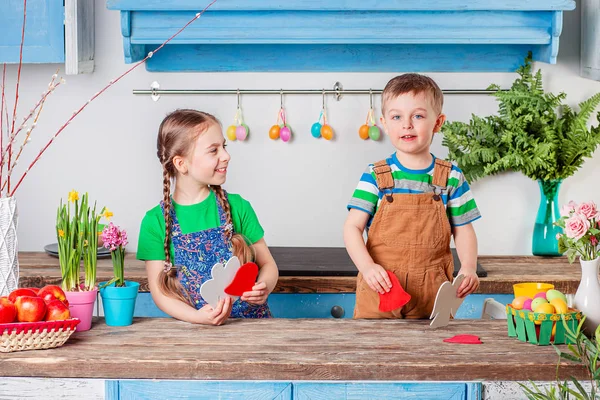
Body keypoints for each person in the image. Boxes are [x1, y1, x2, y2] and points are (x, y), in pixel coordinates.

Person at [344, 74, 481, 319]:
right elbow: (352, 228)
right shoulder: (375, 175)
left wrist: (469, 268)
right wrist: (367, 267)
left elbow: (463, 230)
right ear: (385, 123)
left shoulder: (452, 177)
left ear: (438, 123)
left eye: (417, 116)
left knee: (430, 355)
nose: (407, 124)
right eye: (397, 117)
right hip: (380, 289)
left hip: (433, 294)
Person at [137, 109, 278, 325]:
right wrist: (198, 317)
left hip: (253, 330)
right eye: (214, 150)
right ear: (181, 163)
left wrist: (264, 286)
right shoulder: (154, 222)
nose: (226, 156)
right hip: (197, 335)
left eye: (224, 146)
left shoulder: (238, 207)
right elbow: (160, 293)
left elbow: (268, 265)